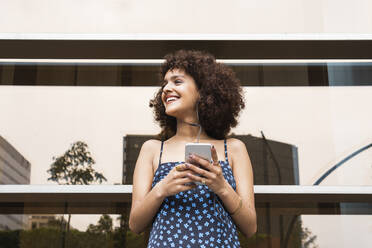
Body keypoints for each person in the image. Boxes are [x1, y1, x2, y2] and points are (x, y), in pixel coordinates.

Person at [129, 49, 257, 247]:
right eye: (165, 84)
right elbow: (135, 224)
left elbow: (250, 227)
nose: (166, 89)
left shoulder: (234, 149)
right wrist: (162, 189)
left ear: (204, 91)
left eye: (177, 81)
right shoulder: (152, 149)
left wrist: (222, 187)